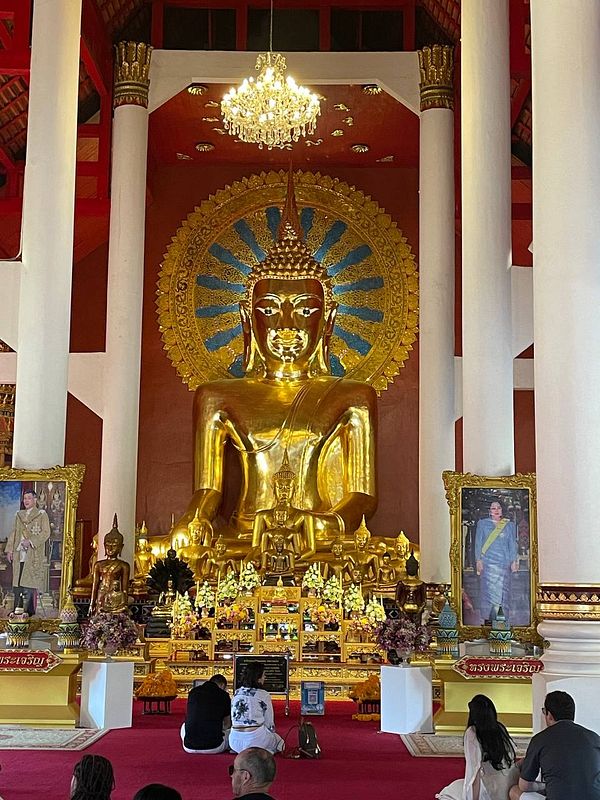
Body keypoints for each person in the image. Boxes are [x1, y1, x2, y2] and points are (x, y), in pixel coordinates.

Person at [172, 169, 377, 559]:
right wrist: (193, 520)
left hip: (318, 537)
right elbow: (208, 491)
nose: (285, 325)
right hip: (245, 538)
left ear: (328, 320)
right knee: (172, 553)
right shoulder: (216, 396)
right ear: (247, 319)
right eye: (269, 310)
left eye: (304, 310)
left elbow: (363, 496)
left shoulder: (354, 397)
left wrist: (324, 523)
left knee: (389, 553)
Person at [509, 690, 600, 800]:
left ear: (550, 715)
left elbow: (524, 785)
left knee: (514, 791)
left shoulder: (540, 739)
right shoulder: (594, 738)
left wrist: (543, 786)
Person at [436, 694, 518, 800]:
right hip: (509, 785)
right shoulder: (500, 727)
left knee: (450, 791)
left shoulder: (472, 733)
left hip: (490, 789)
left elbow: (474, 771)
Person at [5, 488, 50, 615]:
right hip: (19, 552)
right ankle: (16, 609)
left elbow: (46, 532)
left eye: (29, 498)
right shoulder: (19, 515)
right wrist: (9, 550)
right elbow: (14, 533)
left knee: (29, 581)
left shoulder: (41, 514)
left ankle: (29, 610)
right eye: (25, 498)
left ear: (35, 500)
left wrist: (30, 541)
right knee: (17, 581)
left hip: (33, 554)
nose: (26, 501)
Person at [475, 500, 518, 624]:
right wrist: (478, 560)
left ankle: (502, 617)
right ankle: (489, 617)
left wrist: (513, 561)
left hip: (504, 564)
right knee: (488, 591)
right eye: (493, 508)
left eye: (498, 508)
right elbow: (478, 543)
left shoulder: (509, 525)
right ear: (489, 511)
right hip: (487, 563)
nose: (496, 510)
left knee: (504, 591)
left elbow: (512, 544)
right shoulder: (482, 524)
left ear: (502, 510)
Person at [229, 661, 284, 755]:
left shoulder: (237, 693)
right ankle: (262, 751)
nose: (265, 677)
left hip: (234, 741)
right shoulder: (263, 695)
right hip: (256, 739)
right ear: (258, 678)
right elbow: (269, 723)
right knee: (280, 742)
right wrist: (272, 734)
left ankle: (243, 751)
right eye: (263, 675)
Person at [180, 673, 231, 754]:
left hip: (188, 746)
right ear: (222, 685)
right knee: (231, 731)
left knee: (184, 726)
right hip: (214, 747)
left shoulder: (193, 692)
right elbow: (227, 724)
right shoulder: (224, 695)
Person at [89, 515, 130, 615]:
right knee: (100, 616)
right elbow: (95, 585)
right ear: (104, 545)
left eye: (114, 545)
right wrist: (91, 604)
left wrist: (124, 605)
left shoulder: (123, 566)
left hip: (116, 598)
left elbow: (124, 589)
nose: (110, 548)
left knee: (116, 616)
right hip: (102, 594)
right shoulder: (98, 565)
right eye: (108, 545)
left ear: (121, 547)